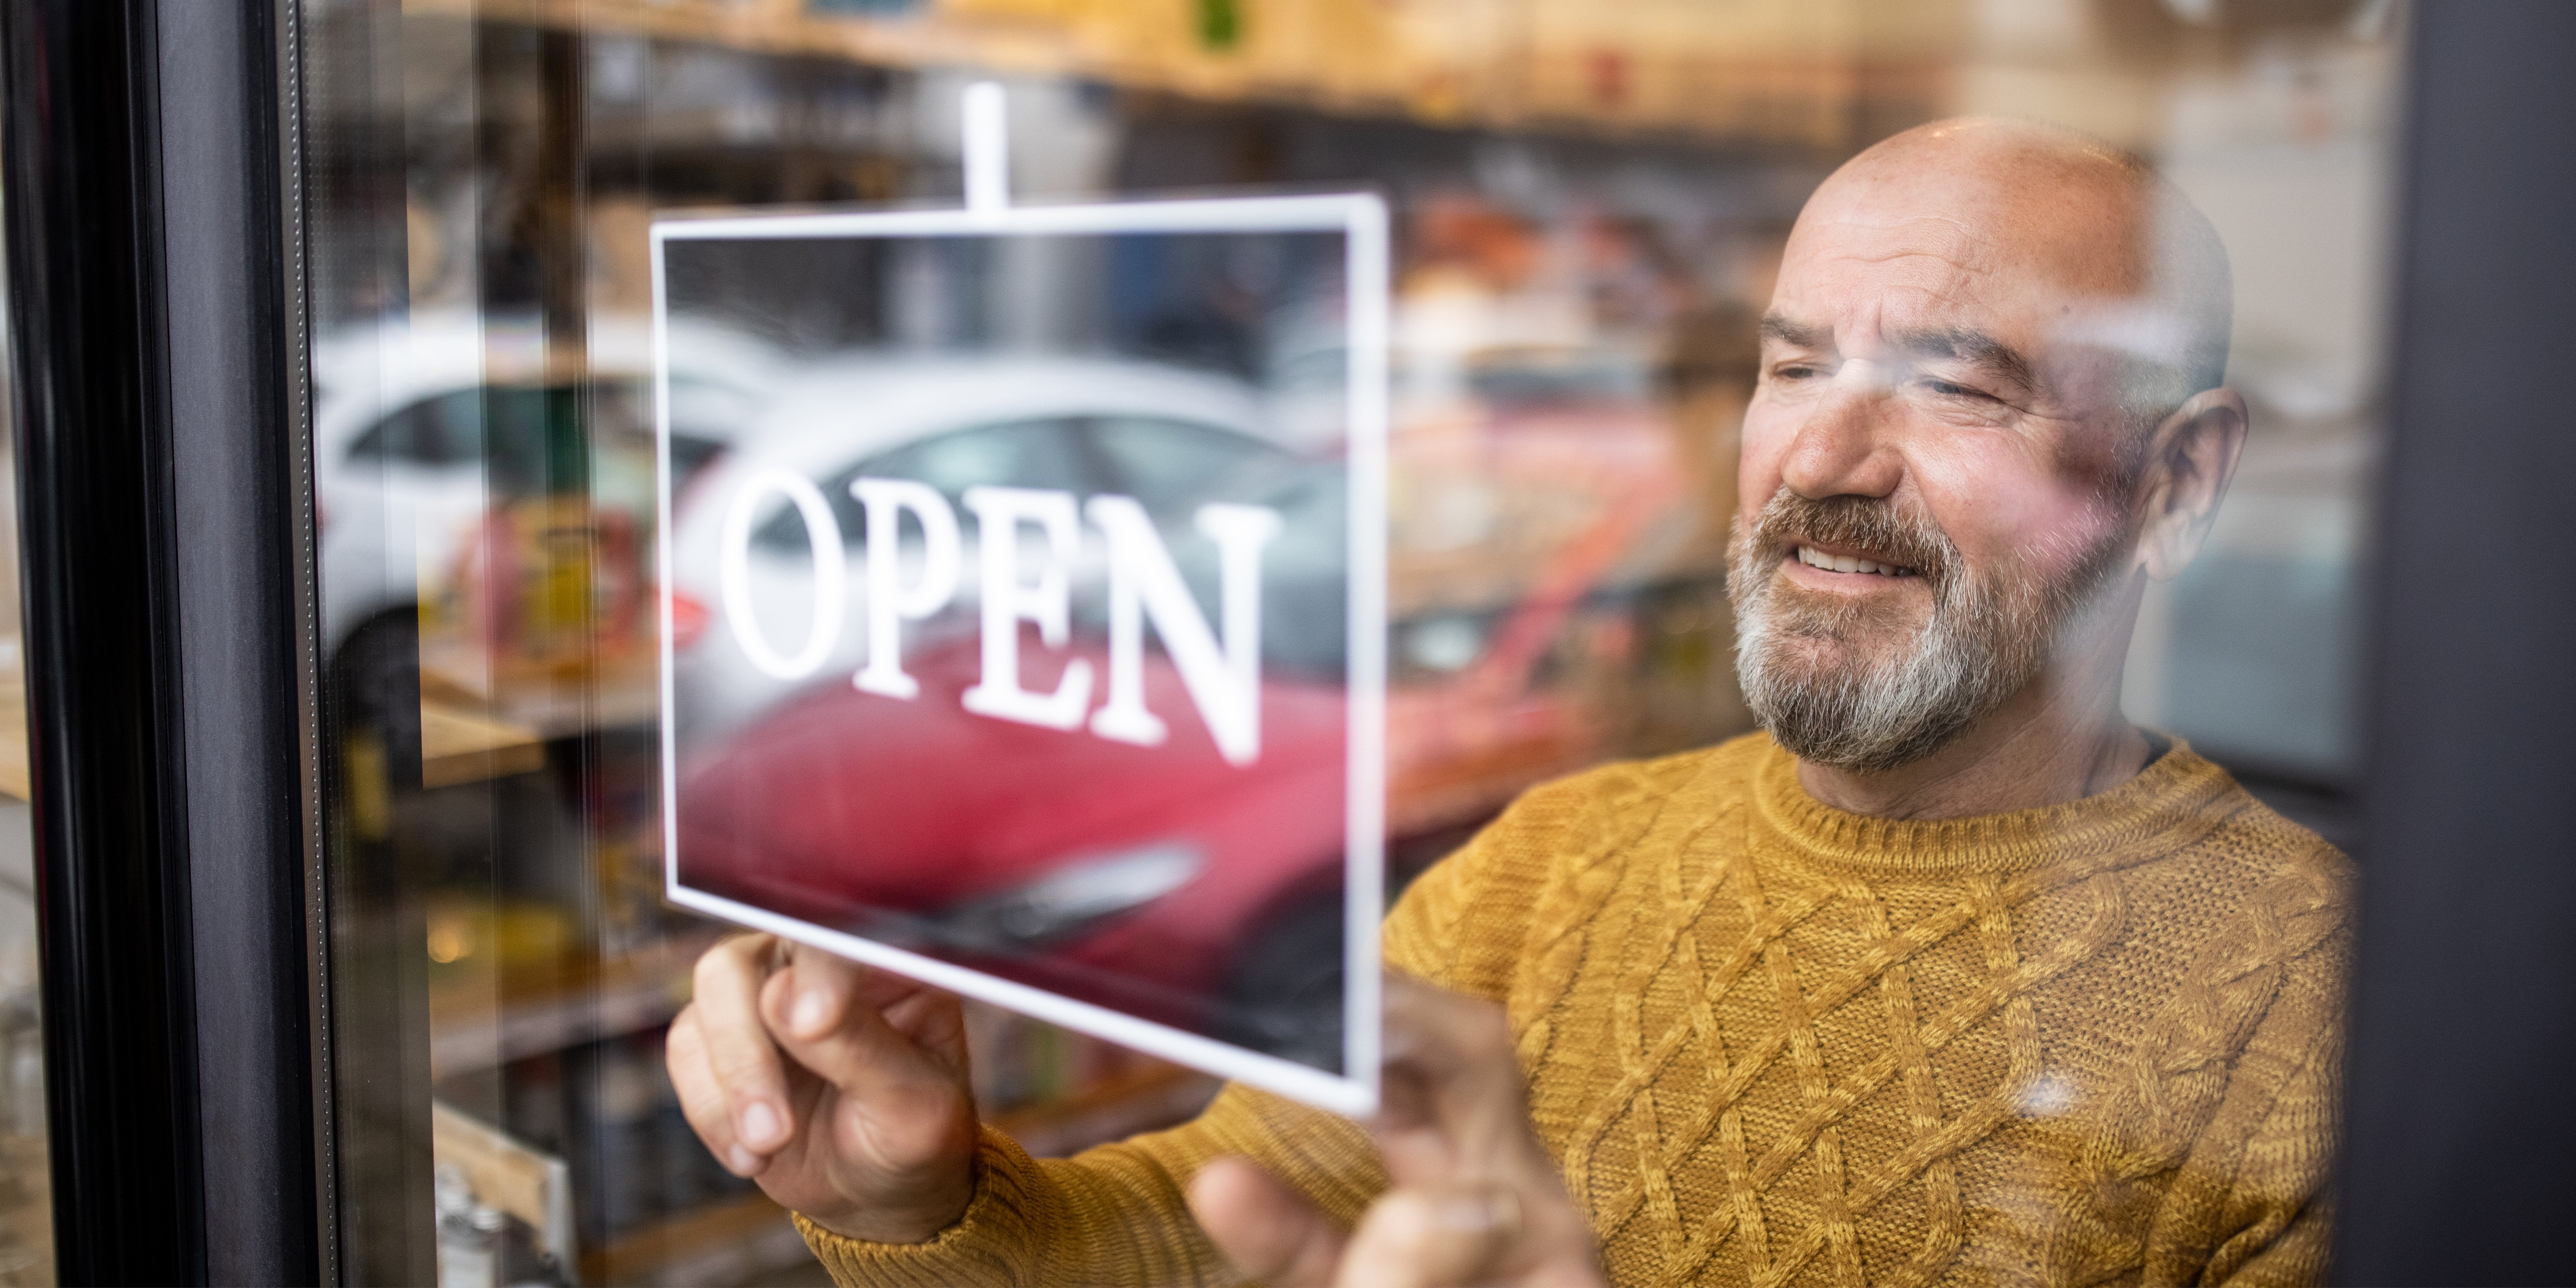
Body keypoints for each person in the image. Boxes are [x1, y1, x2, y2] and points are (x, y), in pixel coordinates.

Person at [666, 117, 2351, 1287]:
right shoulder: (1555, 863)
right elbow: (1207, 1231)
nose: (1823, 463)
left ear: (2179, 481)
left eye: (1958, 386)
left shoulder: (2325, 1021)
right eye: (1790, 366)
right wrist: (926, 1196)